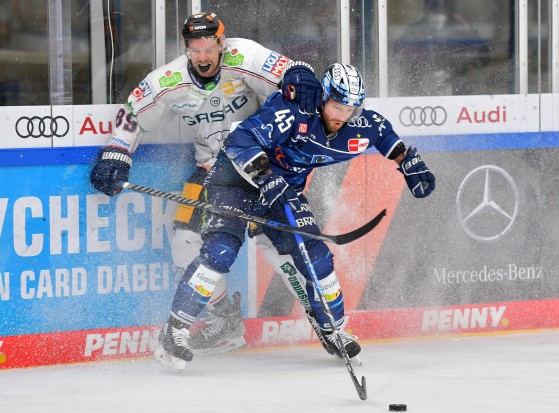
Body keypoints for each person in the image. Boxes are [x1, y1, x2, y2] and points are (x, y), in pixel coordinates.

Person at [155, 62, 436, 370]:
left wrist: (409, 161)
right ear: (324, 97)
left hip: (282, 191)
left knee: (316, 258)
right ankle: (174, 331)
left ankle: (334, 329)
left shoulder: (360, 124)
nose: (342, 116)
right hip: (235, 180)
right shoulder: (295, 110)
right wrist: (264, 174)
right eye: (337, 106)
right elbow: (239, 141)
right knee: (220, 250)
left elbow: (383, 135)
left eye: (350, 109)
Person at [89, 12, 325, 355]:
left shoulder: (243, 56)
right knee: (185, 242)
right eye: (195, 47)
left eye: (209, 46)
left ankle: (326, 319)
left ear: (221, 43)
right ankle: (225, 319)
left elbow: (291, 75)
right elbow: (133, 112)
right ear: (186, 48)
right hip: (213, 170)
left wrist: (300, 78)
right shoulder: (170, 79)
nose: (203, 55)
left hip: (266, 167)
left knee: (280, 250)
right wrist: (117, 151)